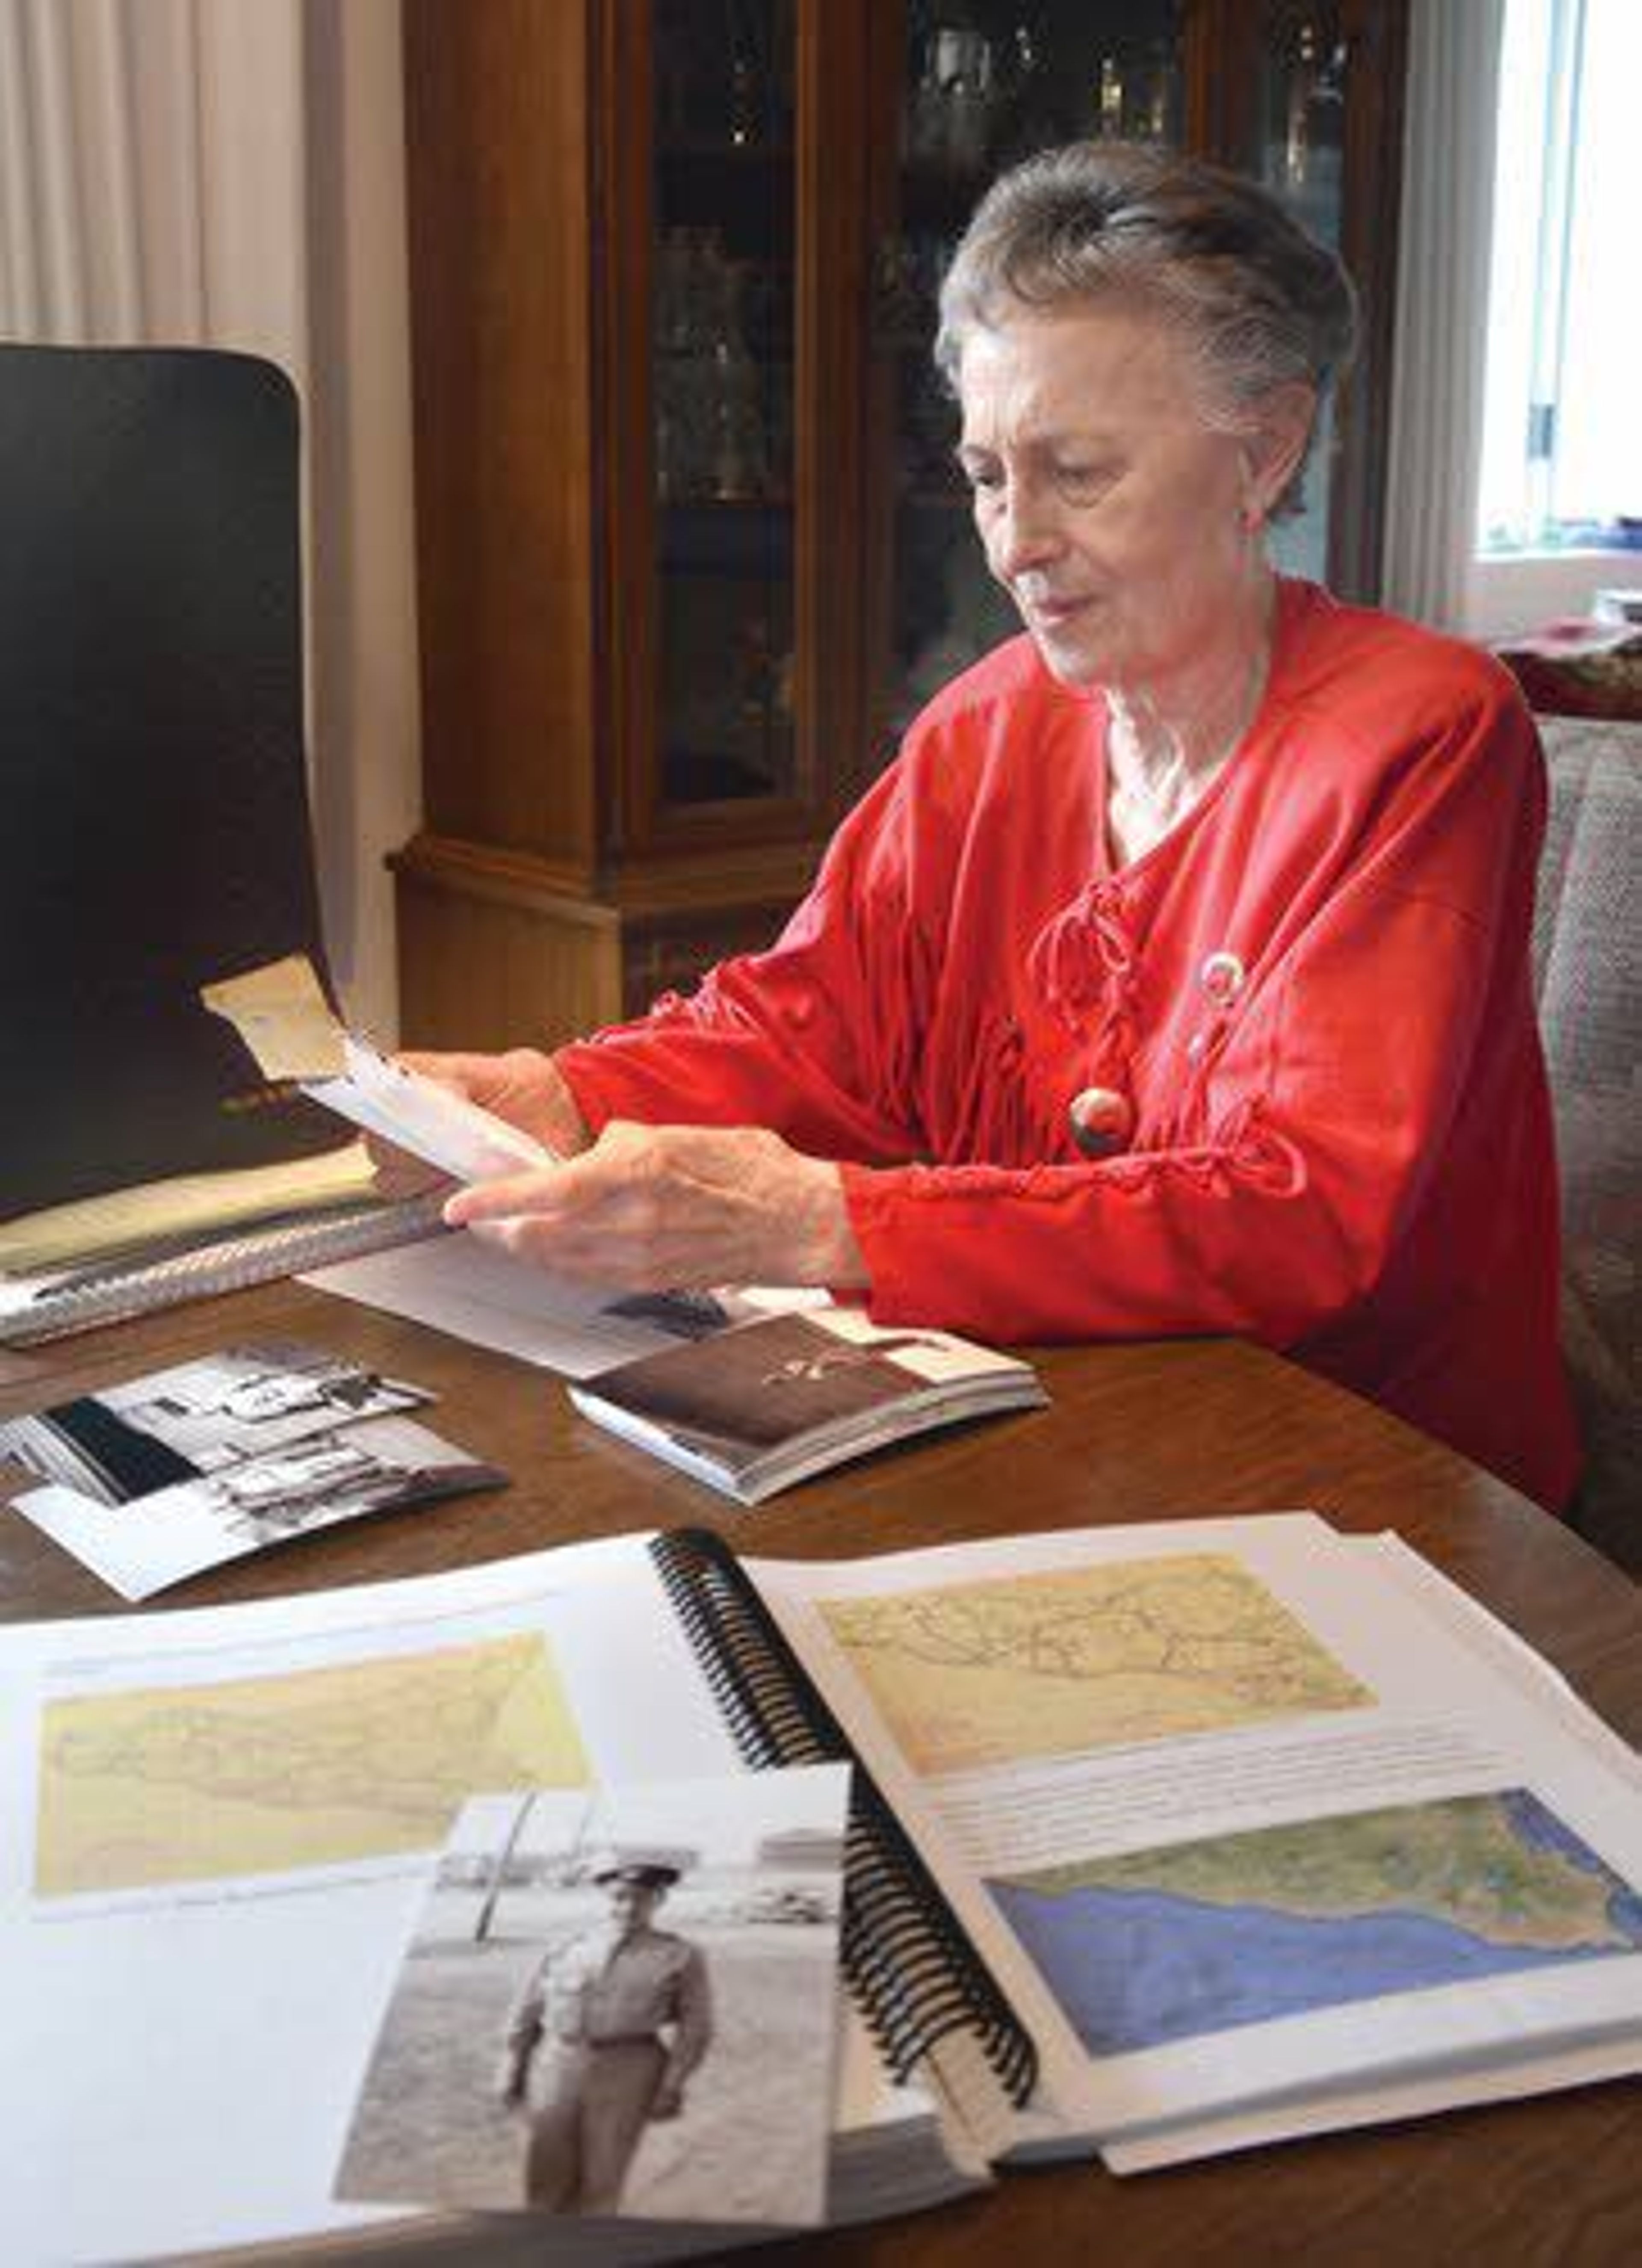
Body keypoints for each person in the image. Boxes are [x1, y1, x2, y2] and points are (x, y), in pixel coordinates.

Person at [416, 142, 1577, 1514]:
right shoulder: (987, 721)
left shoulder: (1421, 731)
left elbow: (1297, 1213)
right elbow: (817, 1023)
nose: (1010, 541)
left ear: (1262, 451)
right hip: (1077, 1426)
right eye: (981, 474)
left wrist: (824, 1220)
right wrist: (568, 1092)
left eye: (1075, 472)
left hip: (1366, 1475)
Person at [497, 1857, 712, 2215]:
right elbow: (527, 2010)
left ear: (659, 1900)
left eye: (641, 1898)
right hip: (559, 2064)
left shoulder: (680, 1956)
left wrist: (671, 2085)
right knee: (545, 2171)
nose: (628, 1907)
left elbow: (696, 2028)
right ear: (607, 1898)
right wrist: (511, 2064)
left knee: (603, 2175)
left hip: (629, 2069)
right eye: (620, 1897)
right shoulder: (567, 1948)